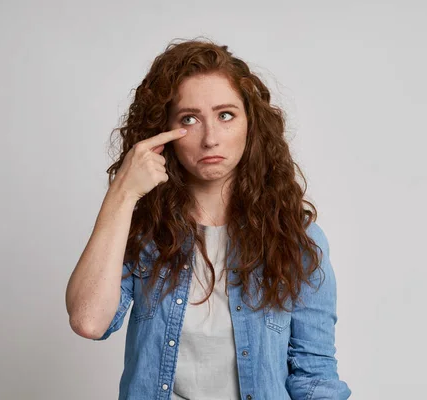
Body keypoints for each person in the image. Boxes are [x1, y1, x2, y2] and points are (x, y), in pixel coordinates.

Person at [65, 37, 351, 400]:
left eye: (225, 115)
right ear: (162, 132)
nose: (210, 138)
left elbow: (315, 377)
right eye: (189, 119)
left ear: (251, 125)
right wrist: (122, 193)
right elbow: (89, 321)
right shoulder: (143, 235)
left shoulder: (297, 238)